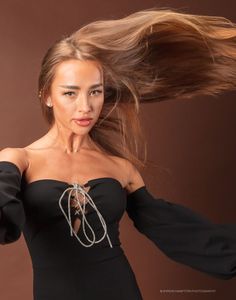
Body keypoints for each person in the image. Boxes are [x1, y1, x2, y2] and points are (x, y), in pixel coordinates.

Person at [1, 7, 236, 300]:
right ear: (47, 95)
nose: (85, 106)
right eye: (70, 93)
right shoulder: (18, 160)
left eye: (95, 92)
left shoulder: (119, 168)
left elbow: (178, 232)